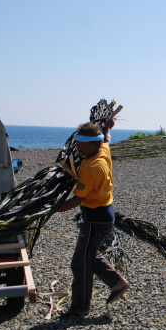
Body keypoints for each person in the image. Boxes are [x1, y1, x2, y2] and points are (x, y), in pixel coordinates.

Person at [55, 118, 129, 317]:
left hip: (96, 219)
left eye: (82, 142)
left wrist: (51, 209)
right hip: (104, 215)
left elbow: (76, 201)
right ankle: (117, 282)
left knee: (80, 263)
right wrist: (108, 127)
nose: (77, 145)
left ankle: (80, 308)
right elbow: (107, 138)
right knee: (89, 255)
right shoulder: (103, 150)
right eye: (77, 140)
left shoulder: (91, 168)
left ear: (93, 144)